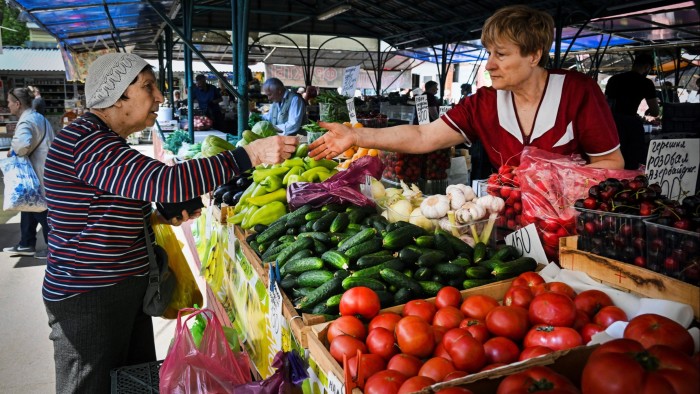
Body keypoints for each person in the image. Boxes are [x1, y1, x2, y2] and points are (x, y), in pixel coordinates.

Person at [42, 53, 297, 393]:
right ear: (118, 96)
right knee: (92, 387)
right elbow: (167, 182)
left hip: (117, 291)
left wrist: (155, 216)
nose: (160, 97)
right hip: (90, 299)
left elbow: (95, 212)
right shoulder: (87, 142)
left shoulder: (103, 140)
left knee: (131, 383)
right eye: (148, 87)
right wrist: (249, 155)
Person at [309, 5, 624, 171]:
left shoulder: (578, 92)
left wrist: (558, 185)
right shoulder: (484, 103)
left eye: (501, 54)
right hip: (513, 229)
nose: (489, 64)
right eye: (488, 53)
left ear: (533, 54)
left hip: (570, 232)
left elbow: (611, 163)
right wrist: (357, 134)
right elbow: (424, 136)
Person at [2, 88, 55, 259]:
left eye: (9, 102)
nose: (8, 106)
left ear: (17, 104)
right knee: (29, 204)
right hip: (45, 169)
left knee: (40, 209)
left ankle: (53, 248)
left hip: (35, 172)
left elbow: (22, 145)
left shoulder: (26, 121)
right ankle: (26, 243)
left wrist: (13, 151)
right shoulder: (39, 117)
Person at [605, 53, 660, 170]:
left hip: (612, 123)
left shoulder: (615, 79)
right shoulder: (646, 83)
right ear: (647, 67)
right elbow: (655, 111)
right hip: (631, 124)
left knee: (612, 159)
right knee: (631, 162)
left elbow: (606, 105)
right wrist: (649, 111)